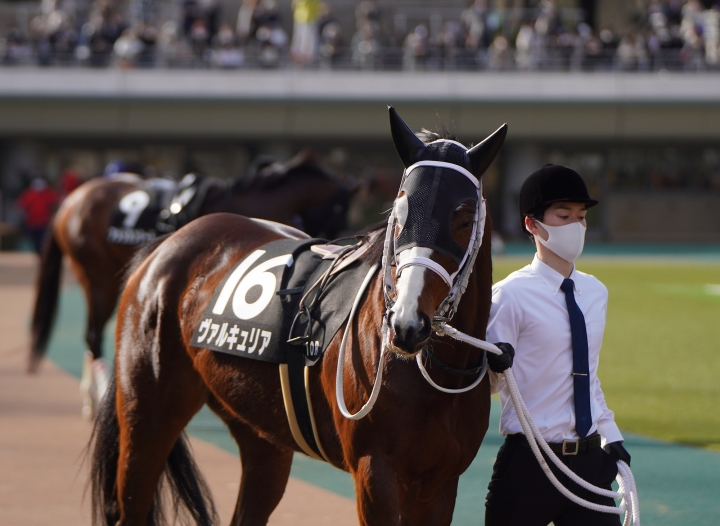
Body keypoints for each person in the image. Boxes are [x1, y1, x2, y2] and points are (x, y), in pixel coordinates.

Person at [484, 164, 631, 526]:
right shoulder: (508, 296)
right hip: (528, 464)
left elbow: (588, 376)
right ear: (532, 224)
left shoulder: (596, 292)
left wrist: (611, 435)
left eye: (581, 217)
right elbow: (485, 387)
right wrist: (489, 366)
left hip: (590, 464)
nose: (575, 226)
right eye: (563, 215)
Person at [15, 175, 61, 253]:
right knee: (36, 241)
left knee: (43, 240)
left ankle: (42, 254)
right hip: (32, 223)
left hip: (44, 222)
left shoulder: (48, 192)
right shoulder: (29, 193)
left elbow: (57, 200)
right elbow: (20, 205)